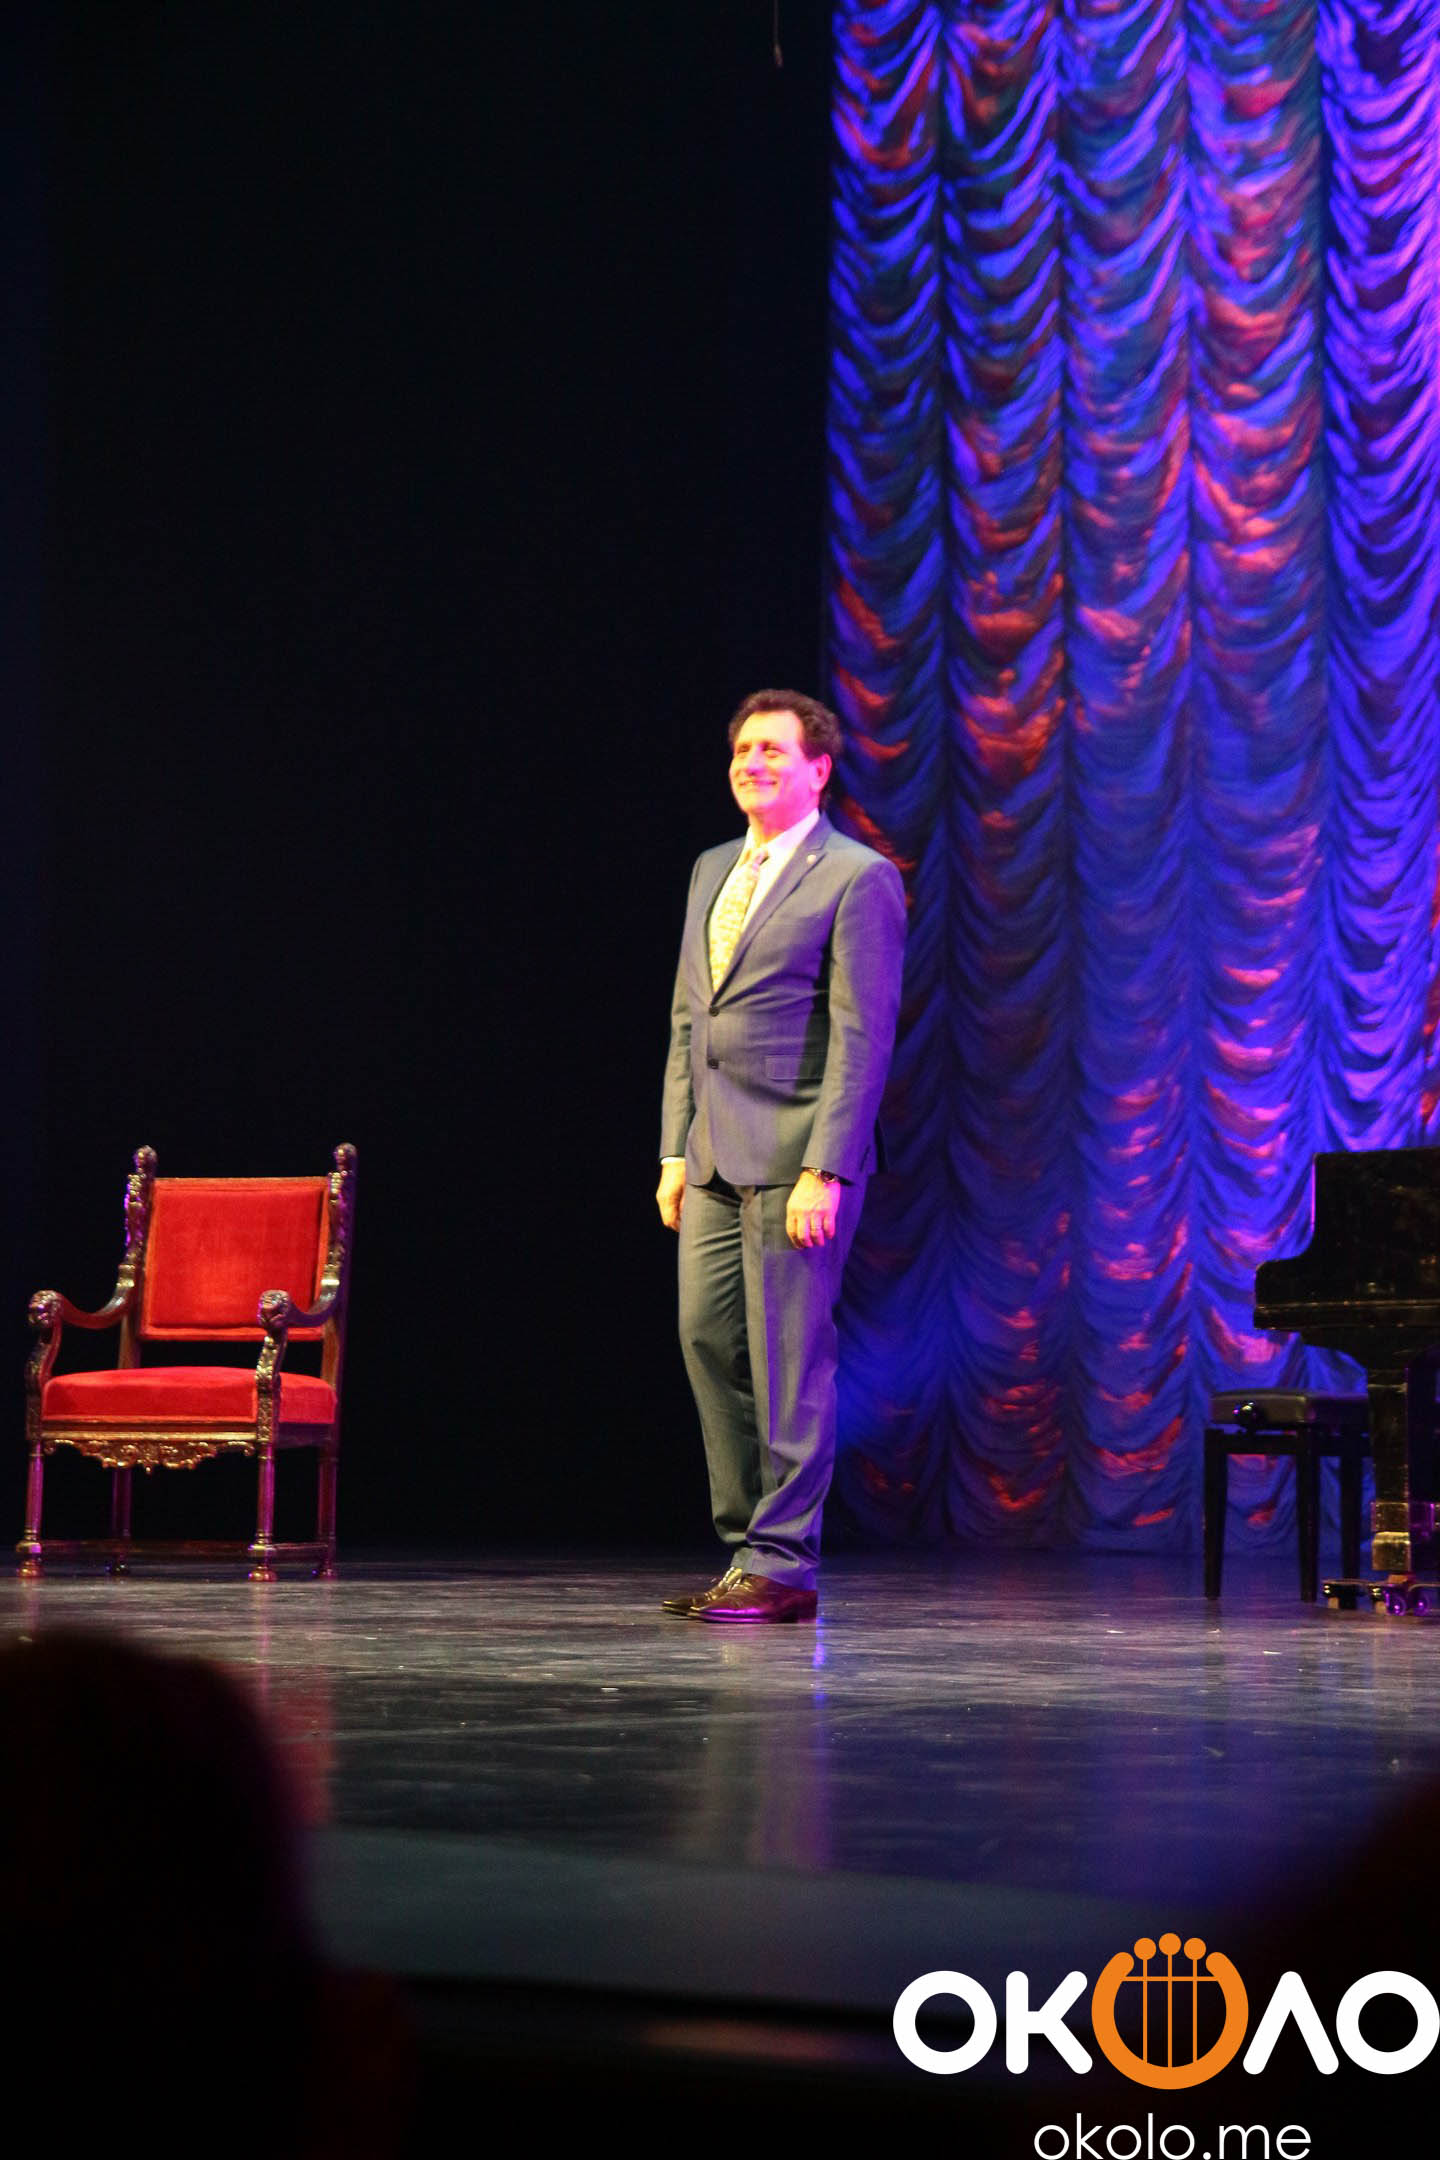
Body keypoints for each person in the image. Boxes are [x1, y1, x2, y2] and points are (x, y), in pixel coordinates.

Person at [656, 689, 906, 1623]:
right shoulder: (712, 868)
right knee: (707, 1341)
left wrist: (826, 1168)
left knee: (790, 1362)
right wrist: (673, 1151)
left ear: (819, 769)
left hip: (796, 1159)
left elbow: (862, 1039)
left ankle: (785, 1561)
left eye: (772, 750)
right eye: (742, 751)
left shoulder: (856, 877)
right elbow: (690, 1020)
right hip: (712, 1158)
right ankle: (745, 1551)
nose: (752, 764)